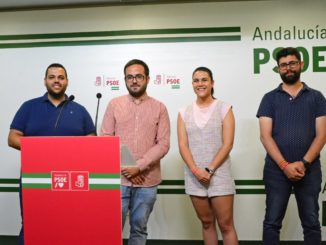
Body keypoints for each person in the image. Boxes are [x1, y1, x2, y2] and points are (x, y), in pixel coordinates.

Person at [8, 63, 96, 244]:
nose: (56, 81)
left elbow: (92, 141)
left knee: (70, 224)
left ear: (67, 82)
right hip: (35, 178)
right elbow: (12, 138)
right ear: (45, 81)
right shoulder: (29, 107)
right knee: (33, 224)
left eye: (61, 77)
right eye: (52, 77)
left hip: (71, 181)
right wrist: (43, 149)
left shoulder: (79, 110)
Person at [257, 47, 326, 244]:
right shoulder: (269, 98)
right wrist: (285, 166)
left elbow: (322, 135)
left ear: (301, 65)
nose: (288, 68)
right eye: (283, 65)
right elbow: (265, 136)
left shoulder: (317, 97)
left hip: (309, 170)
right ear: (278, 69)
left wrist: (303, 164)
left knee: (311, 223)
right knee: (272, 222)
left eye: (292, 63)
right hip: (276, 171)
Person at [100, 59, 170, 245]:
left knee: (139, 229)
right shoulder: (115, 104)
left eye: (139, 76)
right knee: (111, 230)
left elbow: (163, 144)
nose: (134, 81)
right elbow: (107, 138)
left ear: (147, 78)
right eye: (129, 77)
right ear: (124, 80)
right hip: (118, 180)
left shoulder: (160, 107)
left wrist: (138, 167)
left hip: (147, 182)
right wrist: (129, 169)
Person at [177, 67, 238, 245]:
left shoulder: (224, 108)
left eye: (204, 79)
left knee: (226, 225)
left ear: (212, 83)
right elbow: (183, 145)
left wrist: (209, 170)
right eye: (196, 80)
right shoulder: (183, 112)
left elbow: (228, 144)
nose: (200, 83)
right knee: (206, 223)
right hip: (194, 175)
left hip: (219, 174)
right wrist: (196, 171)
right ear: (192, 84)